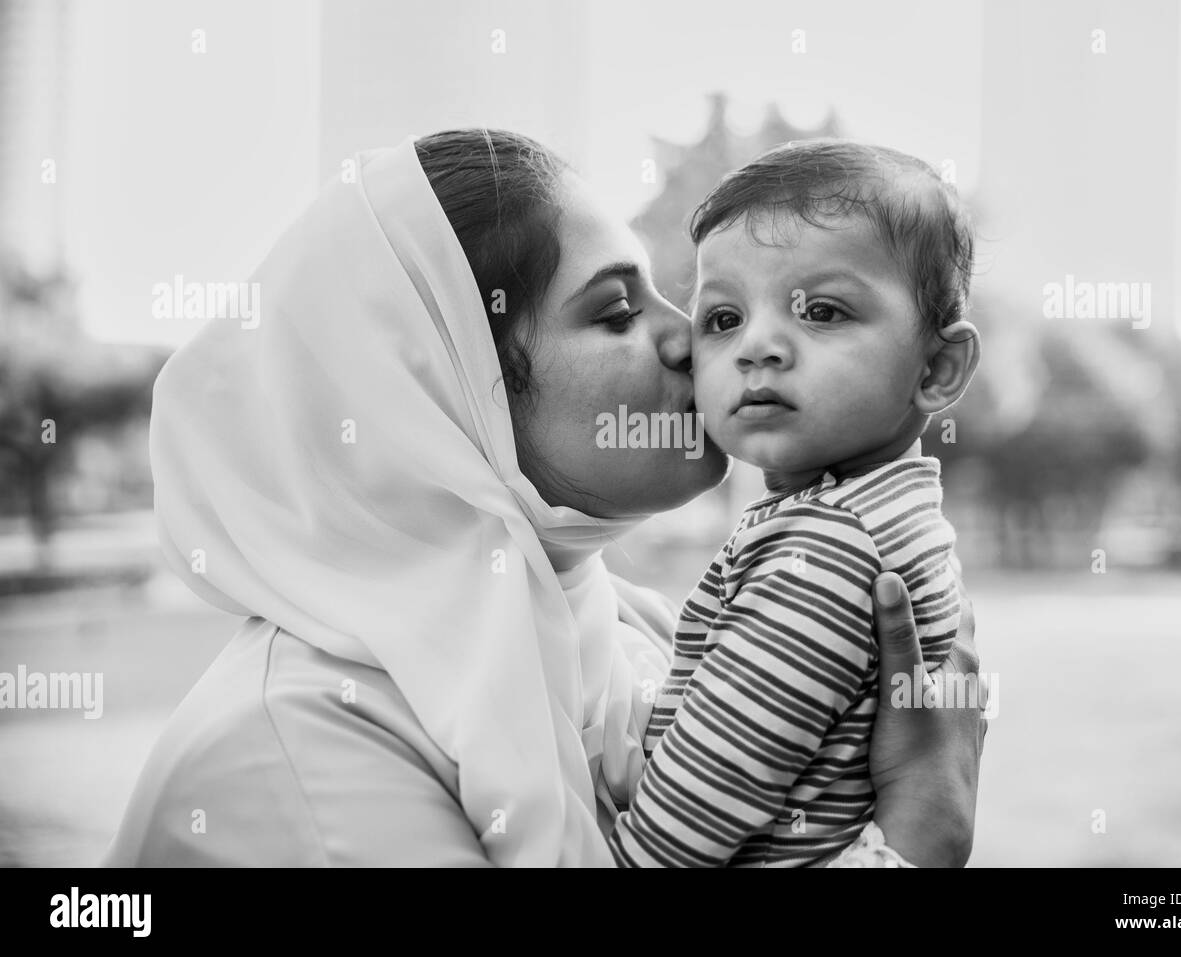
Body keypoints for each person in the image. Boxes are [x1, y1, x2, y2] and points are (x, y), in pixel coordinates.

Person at [104, 129, 985, 867]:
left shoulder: (625, 629)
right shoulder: (296, 746)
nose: (694, 339)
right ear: (450, 396)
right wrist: (917, 834)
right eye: (616, 312)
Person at [609, 140, 980, 867]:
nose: (759, 346)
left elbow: (683, 825)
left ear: (936, 367)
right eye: (721, 319)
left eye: (825, 311)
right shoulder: (877, 513)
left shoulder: (828, 546)